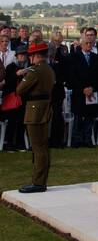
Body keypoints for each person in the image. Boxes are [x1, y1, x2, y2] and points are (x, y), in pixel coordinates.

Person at [16, 38, 56, 192]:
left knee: (38, 147)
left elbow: (20, 90)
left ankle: (38, 182)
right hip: (45, 108)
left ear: (35, 55)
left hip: (34, 110)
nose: (29, 59)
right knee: (43, 146)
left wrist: (24, 75)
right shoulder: (49, 69)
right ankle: (40, 180)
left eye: (30, 56)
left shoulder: (34, 71)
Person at [66, 28, 98, 146]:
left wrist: (92, 88)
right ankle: (77, 140)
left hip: (92, 92)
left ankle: (87, 139)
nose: (88, 45)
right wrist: (83, 88)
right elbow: (72, 76)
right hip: (79, 92)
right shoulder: (74, 57)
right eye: (86, 43)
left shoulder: (96, 58)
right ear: (81, 44)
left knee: (89, 117)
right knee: (78, 117)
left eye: (90, 43)